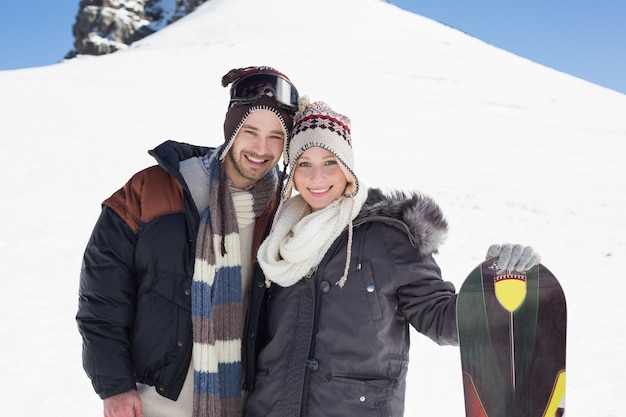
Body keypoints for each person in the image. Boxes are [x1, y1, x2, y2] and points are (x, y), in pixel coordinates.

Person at [244, 98, 540, 417]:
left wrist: (492, 290)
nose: (317, 177)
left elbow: (439, 317)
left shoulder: (387, 237)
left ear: (347, 166)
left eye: (330, 161)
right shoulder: (277, 237)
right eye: (304, 163)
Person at [76, 66, 300, 417]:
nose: (261, 148)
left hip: (240, 405)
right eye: (251, 131)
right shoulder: (149, 190)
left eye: (276, 137)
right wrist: (114, 385)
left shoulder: (282, 214)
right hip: (153, 403)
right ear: (231, 129)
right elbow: (102, 298)